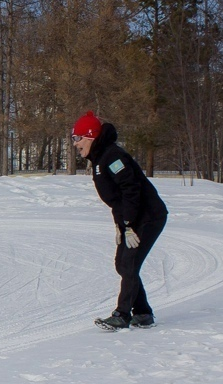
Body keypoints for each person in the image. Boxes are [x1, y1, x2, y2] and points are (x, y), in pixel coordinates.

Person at [71, 111, 168, 330]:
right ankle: (142, 313)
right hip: (133, 218)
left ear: (91, 136)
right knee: (121, 264)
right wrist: (120, 224)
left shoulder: (112, 157)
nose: (75, 144)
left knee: (129, 263)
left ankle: (122, 315)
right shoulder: (100, 158)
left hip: (149, 216)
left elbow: (131, 190)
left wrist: (129, 224)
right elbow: (116, 200)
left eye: (78, 138)